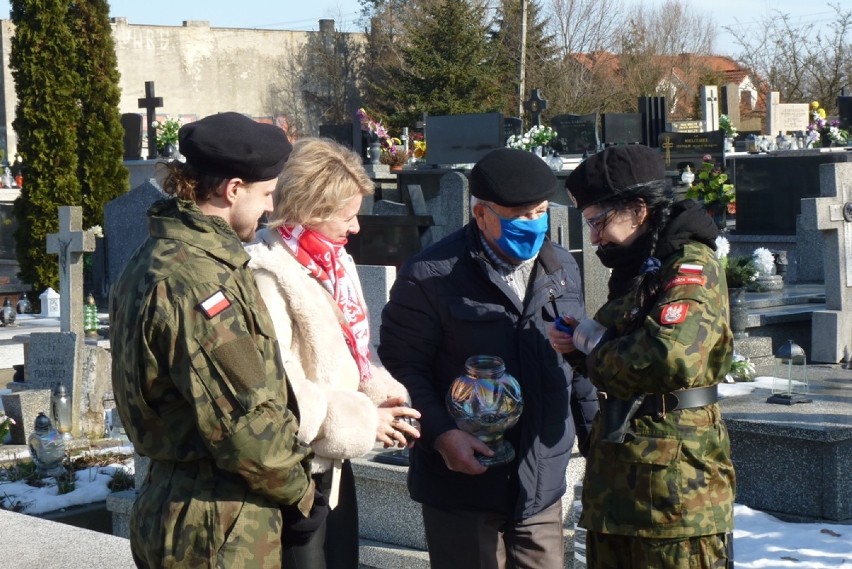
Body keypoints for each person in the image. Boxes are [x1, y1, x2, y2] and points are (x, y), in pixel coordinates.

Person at [110, 111, 325, 568]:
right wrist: (301, 490)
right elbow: (245, 426)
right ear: (232, 189)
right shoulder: (199, 280)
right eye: (266, 194)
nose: (270, 208)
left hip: (188, 505)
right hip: (216, 522)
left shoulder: (165, 254)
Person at [378, 147, 599, 569]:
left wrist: (596, 438)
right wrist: (443, 436)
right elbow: (405, 369)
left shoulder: (561, 267)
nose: (533, 225)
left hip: (540, 481)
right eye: (517, 217)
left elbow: (576, 361)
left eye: (538, 212)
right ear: (480, 214)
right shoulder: (430, 275)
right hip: (463, 481)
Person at [245, 137, 421, 569]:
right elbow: (283, 385)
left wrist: (383, 395)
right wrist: (363, 420)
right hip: (294, 468)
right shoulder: (267, 273)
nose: (357, 227)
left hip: (335, 464)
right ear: (308, 210)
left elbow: (354, 352)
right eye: (348, 216)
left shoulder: (333, 262)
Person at [558, 144, 736, 568]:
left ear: (638, 209)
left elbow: (672, 355)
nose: (595, 236)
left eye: (599, 221)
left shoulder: (689, 263)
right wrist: (580, 346)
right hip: (623, 486)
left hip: (676, 493)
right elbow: (628, 346)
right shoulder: (643, 262)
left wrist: (593, 348)